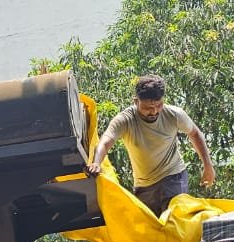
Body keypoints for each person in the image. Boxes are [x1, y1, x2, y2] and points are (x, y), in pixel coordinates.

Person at [86, 74, 216, 214]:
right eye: (147, 108)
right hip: (143, 186)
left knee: (173, 216)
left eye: (158, 105)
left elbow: (195, 134)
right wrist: (96, 162)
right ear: (136, 101)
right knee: (148, 225)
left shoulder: (174, 115)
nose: (154, 112)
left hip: (173, 177)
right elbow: (105, 141)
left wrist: (208, 166)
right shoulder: (125, 120)